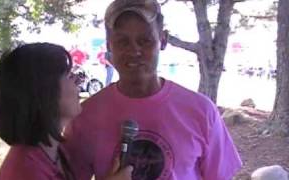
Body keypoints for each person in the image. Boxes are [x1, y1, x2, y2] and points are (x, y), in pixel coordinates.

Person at [64, 0, 242, 179]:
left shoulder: (201, 111)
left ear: (162, 40)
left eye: (145, 40)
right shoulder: (84, 117)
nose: (134, 50)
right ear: (109, 45)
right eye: (122, 41)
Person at [0, 42, 133, 180]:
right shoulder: (23, 171)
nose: (78, 81)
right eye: (69, 75)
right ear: (45, 92)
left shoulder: (55, 153)